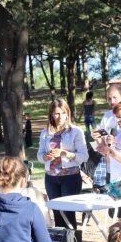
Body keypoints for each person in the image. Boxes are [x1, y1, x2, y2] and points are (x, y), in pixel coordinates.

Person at [37, 98, 89, 229]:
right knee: (57, 213)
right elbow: (39, 156)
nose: (60, 117)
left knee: (68, 213)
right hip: (51, 178)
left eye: (63, 113)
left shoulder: (76, 131)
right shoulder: (45, 133)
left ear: (68, 113)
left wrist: (65, 154)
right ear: (51, 115)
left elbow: (84, 156)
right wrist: (45, 156)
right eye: (56, 114)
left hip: (70, 177)